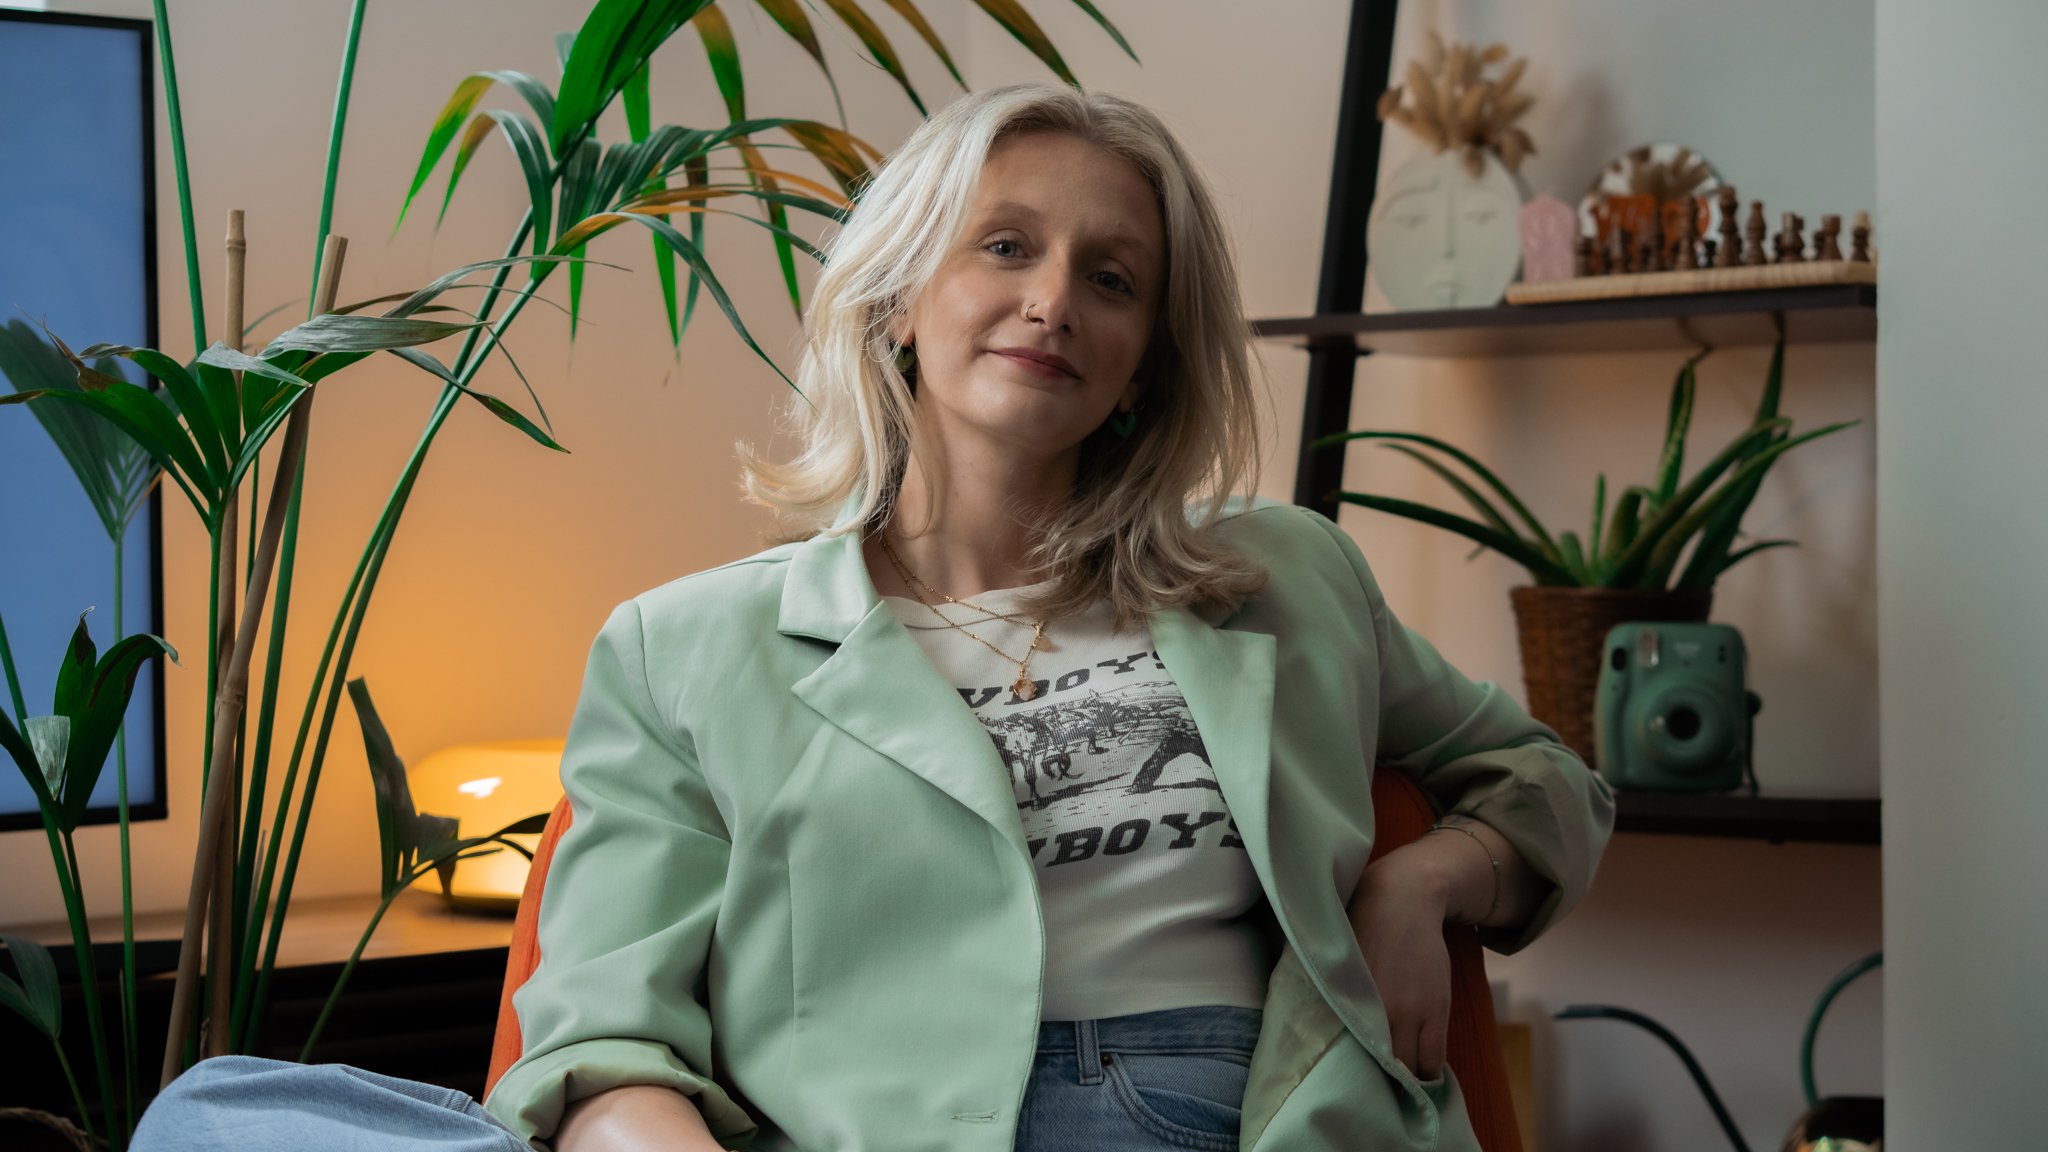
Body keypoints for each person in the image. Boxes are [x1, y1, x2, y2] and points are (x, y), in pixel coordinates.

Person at [136, 82, 1612, 1152]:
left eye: (1112, 279)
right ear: (901, 293)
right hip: (838, 1133)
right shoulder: (684, 648)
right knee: (216, 1120)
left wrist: (1430, 883)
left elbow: (1549, 779)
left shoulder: (1286, 579)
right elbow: (604, 1042)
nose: (1053, 302)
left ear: (1146, 363)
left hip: (1210, 1111)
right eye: (1006, 248)